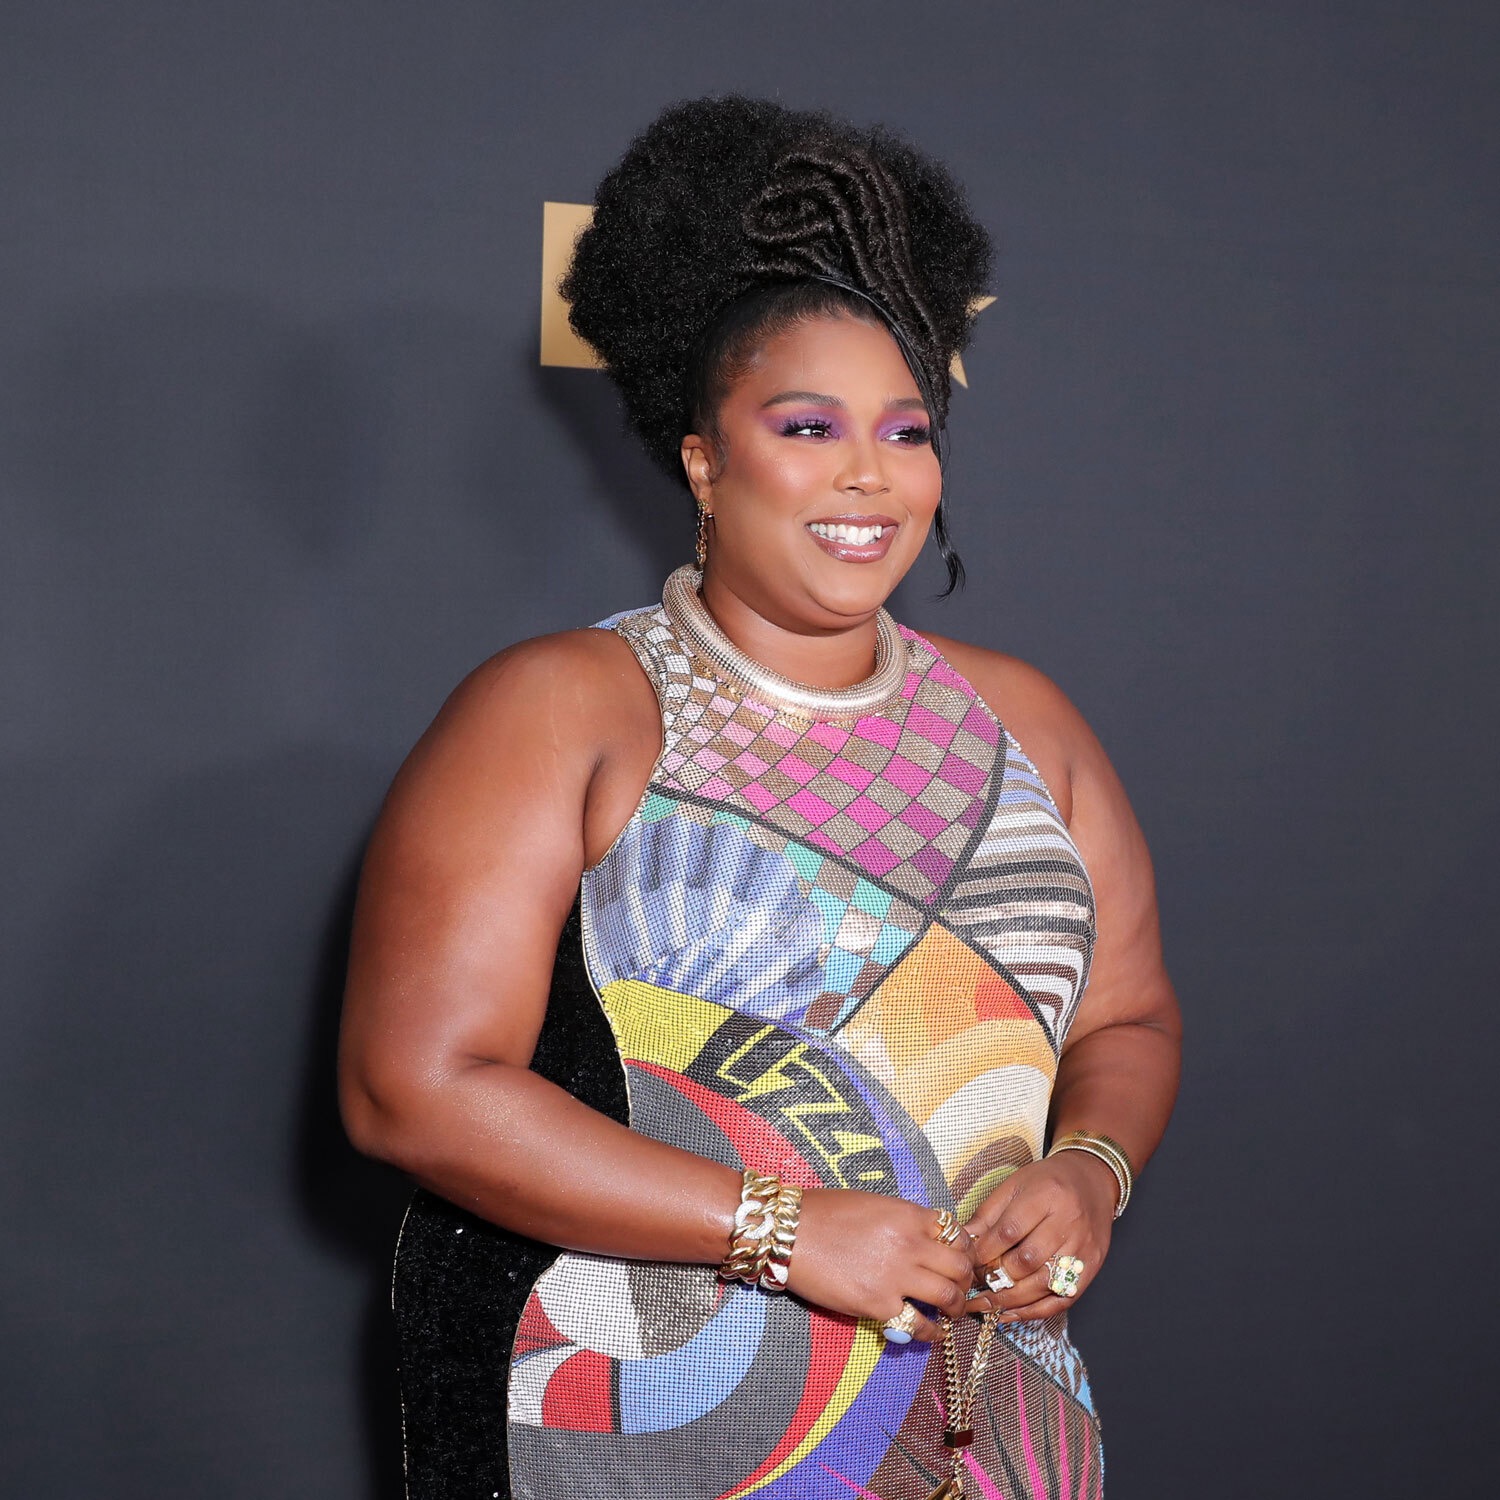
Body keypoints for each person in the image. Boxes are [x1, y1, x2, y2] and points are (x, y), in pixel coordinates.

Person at [339, 95, 1180, 1500]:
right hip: (632, 1423)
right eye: (807, 425)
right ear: (704, 458)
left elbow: (1130, 1020)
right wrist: (784, 1230)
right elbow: (411, 1089)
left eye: (906, 431)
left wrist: (1090, 1170)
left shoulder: (1026, 723)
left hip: (984, 1422)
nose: (868, 475)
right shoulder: (565, 708)